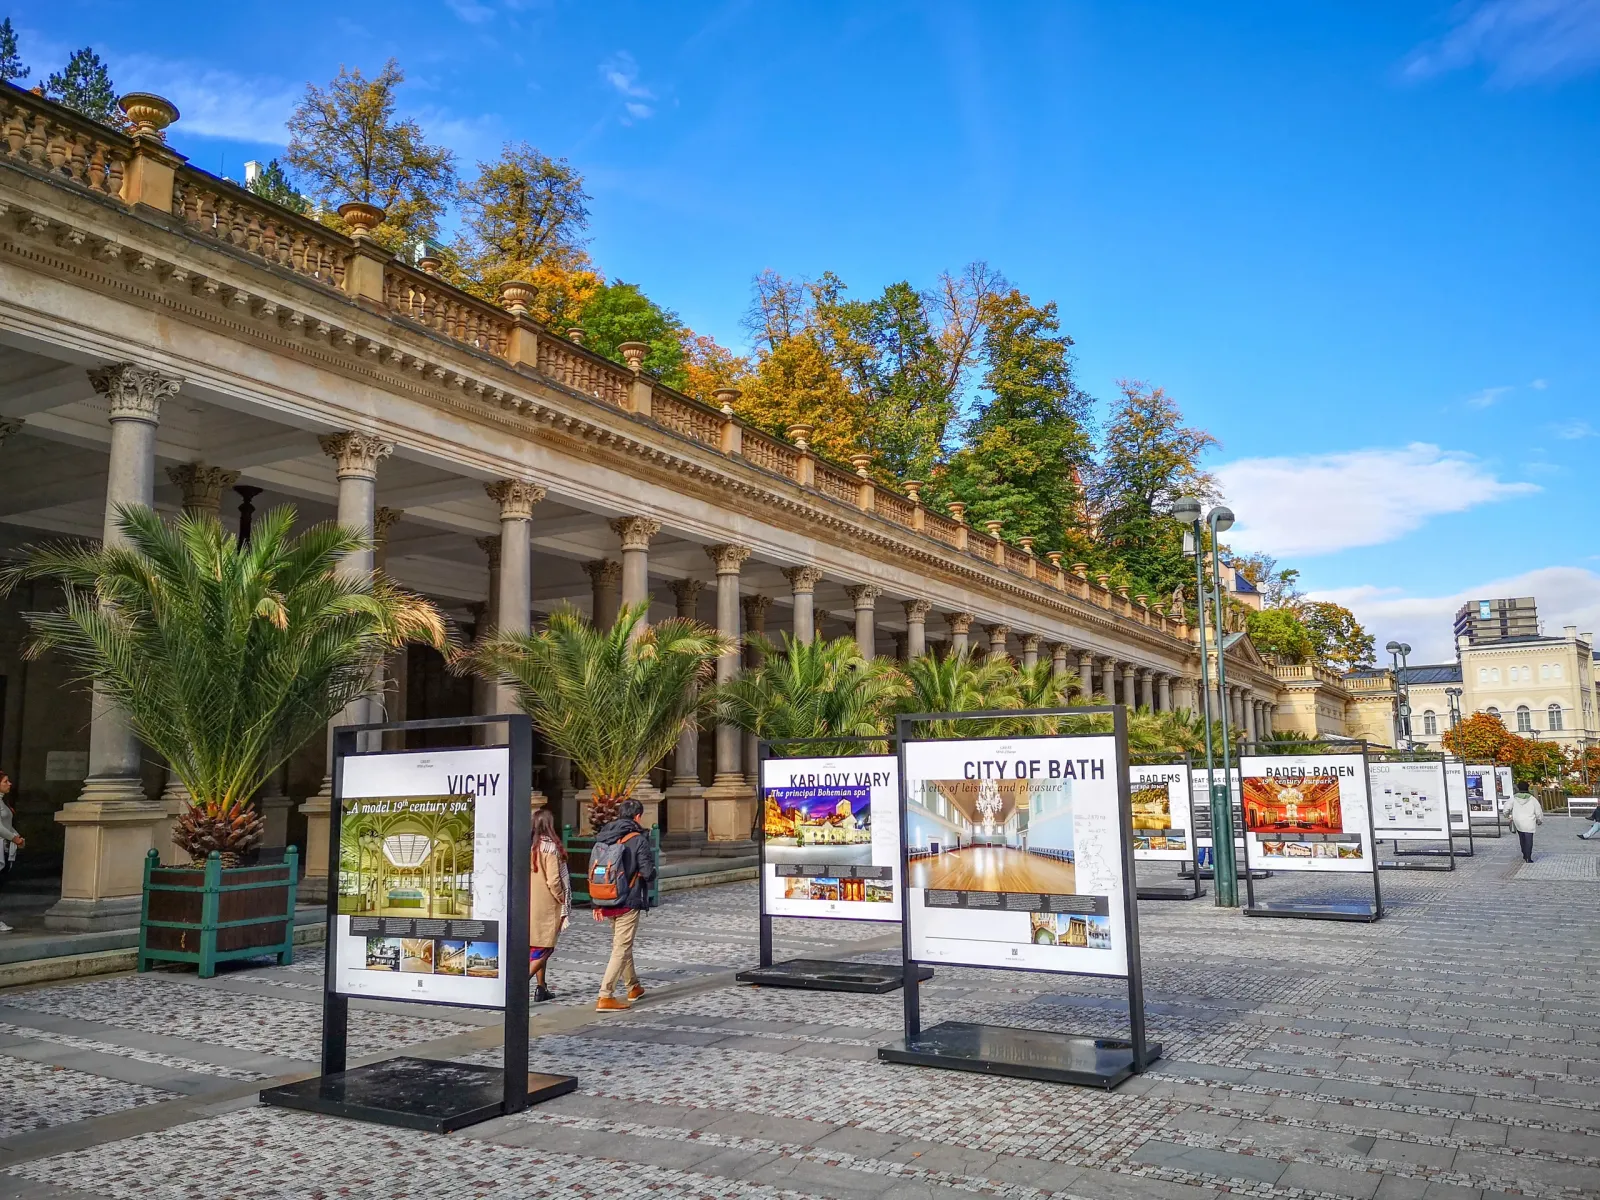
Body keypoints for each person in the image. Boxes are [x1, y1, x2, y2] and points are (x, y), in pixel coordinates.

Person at [590, 797, 656, 1012]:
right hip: (628, 900)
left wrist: (596, 903)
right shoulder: (638, 839)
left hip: (607, 897)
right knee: (621, 948)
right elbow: (648, 872)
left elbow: (596, 868)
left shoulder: (605, 835)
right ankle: (605, 995)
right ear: (638, 816)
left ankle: (633, 986)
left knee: (622, 944)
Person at [528, 805, 570, 1003]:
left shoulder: (529, 846)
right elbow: (554, 880)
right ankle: (518, 986)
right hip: (546, 904)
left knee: (537, 944)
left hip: (529, 902)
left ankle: (541, 987)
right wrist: (561, 897)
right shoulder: (550, 847)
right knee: (545, 947)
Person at [0, 770, 23, 933]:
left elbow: (7, 825)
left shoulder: (3, 802)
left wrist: (17, 836)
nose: (9, 784)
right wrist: (14, 838)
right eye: (5, 781)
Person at [1503, 788, 1543, 863]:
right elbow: (1538, 811)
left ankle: (1524, 853)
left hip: (1518, 821)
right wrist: (1539, 820)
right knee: (1529, 840)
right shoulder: (1532, 799)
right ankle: (1528, 857)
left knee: (1522, 838)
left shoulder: (1514, 798)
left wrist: (1507, 815)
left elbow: (1506, 808)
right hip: (1530, 822)